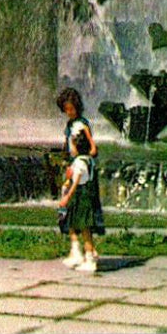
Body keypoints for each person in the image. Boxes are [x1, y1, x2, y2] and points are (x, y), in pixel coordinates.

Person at [56, 86, 104, 272]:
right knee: (69, 213)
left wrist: (81, 160)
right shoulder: (69, 125)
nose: (69, 112)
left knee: (80, 214)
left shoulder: (82, 124)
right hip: (73, 167)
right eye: (66, 110)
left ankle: (87, 253)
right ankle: (76, 250)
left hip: (81, 173)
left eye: (71, 109)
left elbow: (94, 149)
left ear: (77, 107)